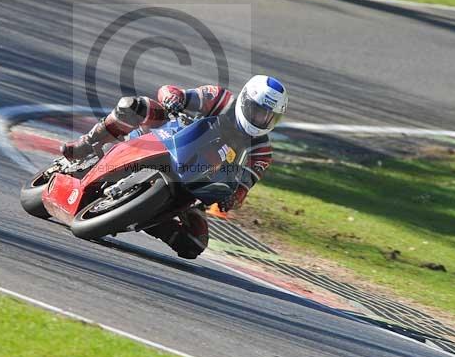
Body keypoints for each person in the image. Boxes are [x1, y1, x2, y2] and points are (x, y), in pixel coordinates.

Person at [61, 75, 288, 259]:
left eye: (269, 117)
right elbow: (170, 90)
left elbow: (243, 188)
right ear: (245, 100)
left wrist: (232, 198)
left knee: (194, 244)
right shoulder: (220, 100)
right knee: (136, 106)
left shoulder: (261, 152)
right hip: (167, 137)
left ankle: (146, 218)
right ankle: (88, 143)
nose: (261, 119)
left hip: (197, 182)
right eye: (258, 111)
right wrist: (173, 98)